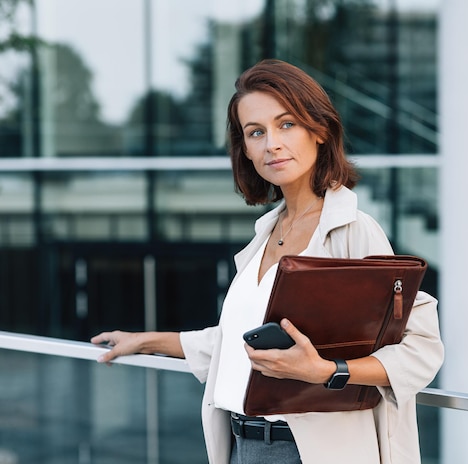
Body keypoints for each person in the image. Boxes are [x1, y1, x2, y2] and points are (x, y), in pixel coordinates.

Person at [91, 59, 444, 464]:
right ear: (245, 149)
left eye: (287, 124)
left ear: (320, 130)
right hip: (244, 444)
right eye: (255, 132)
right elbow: (238, 340)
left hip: (309, 450)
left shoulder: (353, 230)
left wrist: (328, 371)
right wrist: (146, 341)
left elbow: (421, 349)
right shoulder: (266, 233)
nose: (271, 143)